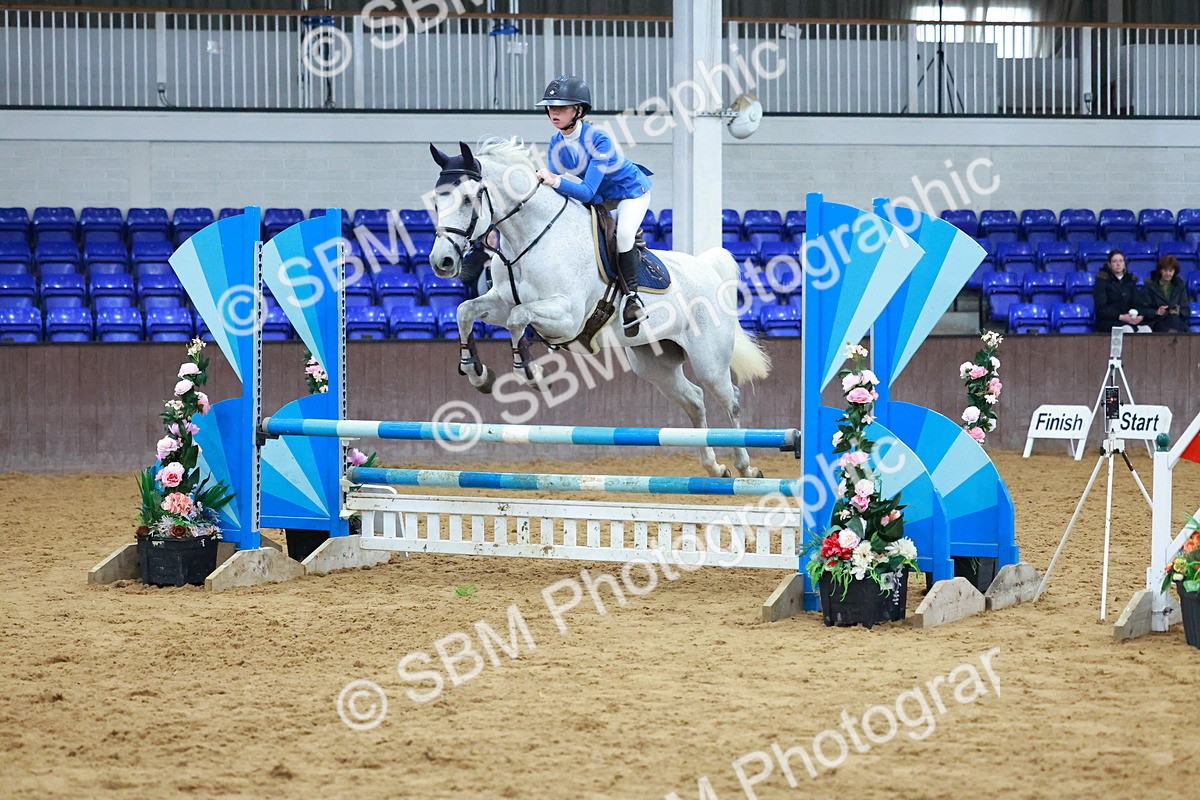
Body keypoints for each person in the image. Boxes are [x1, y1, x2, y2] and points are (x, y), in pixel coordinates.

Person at [532, 74, 653, 333]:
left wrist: (553, 181)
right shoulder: (556, 141)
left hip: (629, 193)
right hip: (600, 197)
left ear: (578, 110)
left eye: (561, 108)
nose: (554, 112)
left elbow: (585, 192)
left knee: (623, 235)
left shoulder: (599, 139)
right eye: (551, 108)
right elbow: (558, 187)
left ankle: (632, 298)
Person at [1093, 249, 1150, 333]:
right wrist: (1121, 317)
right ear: (1109, 264)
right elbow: (1101, 309)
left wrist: (1140, 316)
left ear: (1124, 264)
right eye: (1114, 261)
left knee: (1146, 330)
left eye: (1121, 261)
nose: (1118, 264)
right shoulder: (1102, 281)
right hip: (1110, 321)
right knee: (1127, 330)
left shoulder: (1130, 280)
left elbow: (1137, 302)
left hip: (1130, 320)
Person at [1141, 254, 1190, 333]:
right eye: (1165, 270)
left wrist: (1179, 312)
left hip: (1176, 321)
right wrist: (1157, 312)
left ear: (1175, 271)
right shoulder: (1150, 286)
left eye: (1170, 270)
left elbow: (1186, 310)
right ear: (1160, 270)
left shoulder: (1180, 285)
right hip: (1157, 322)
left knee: (1175, 320)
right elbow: (1143, 310)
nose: (1168, 273)